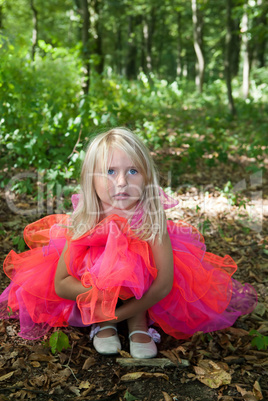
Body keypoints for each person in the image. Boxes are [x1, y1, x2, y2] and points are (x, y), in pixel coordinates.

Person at [0, 128, 257, 359]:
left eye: (132, 171)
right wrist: (101, 305)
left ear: (146, 177)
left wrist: (118, 315)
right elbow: (61, 284)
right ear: (91, 178)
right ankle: (102, 323)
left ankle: (138, 322)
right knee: (103, 259)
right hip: (93, 292)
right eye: (110, 172)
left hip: (145, 292)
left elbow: (163, 284)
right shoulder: (86, 218)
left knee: (135, 259)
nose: (121, 182)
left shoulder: (151, 216)